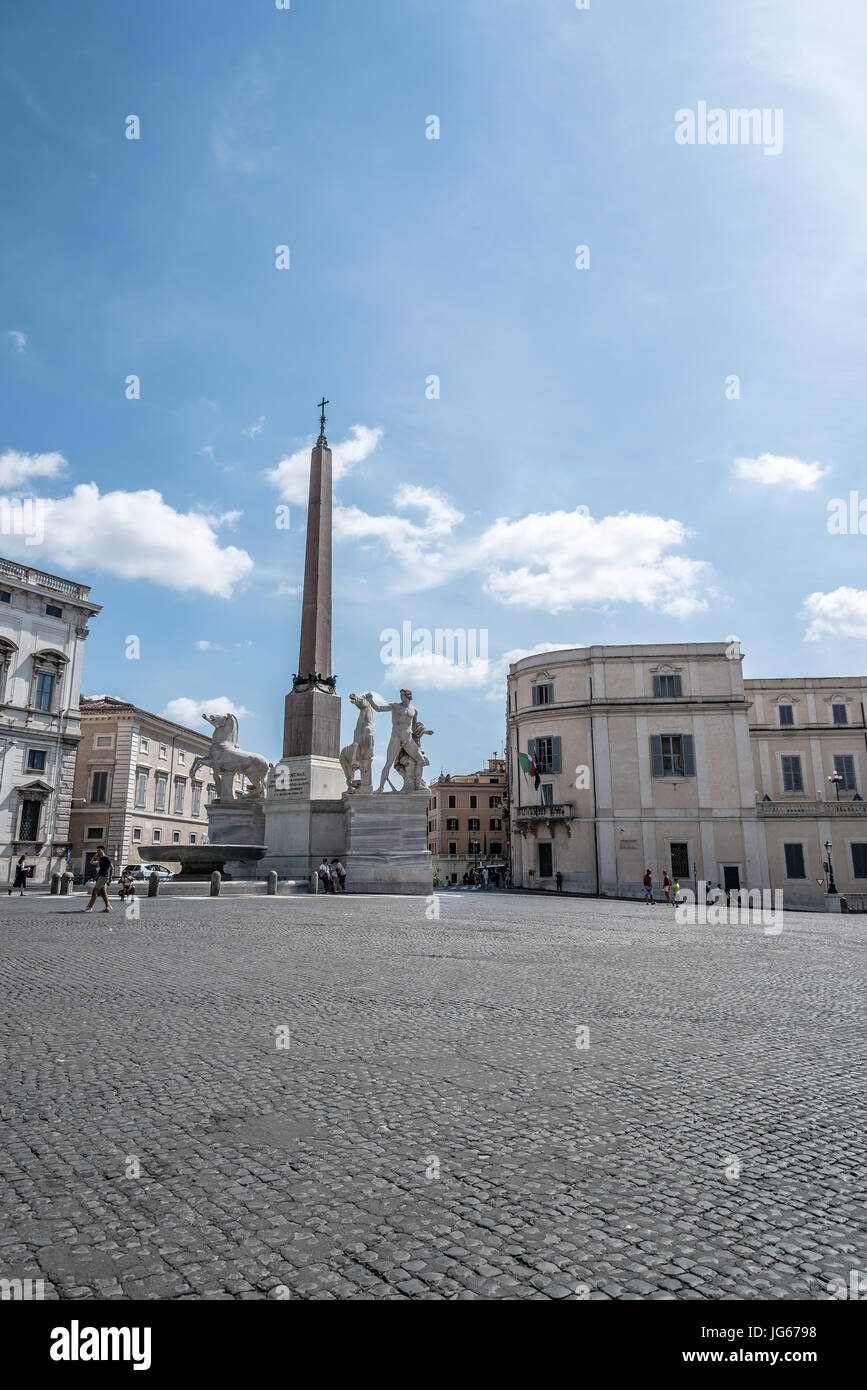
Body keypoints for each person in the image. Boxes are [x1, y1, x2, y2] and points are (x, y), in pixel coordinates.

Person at [83, 846, 113, 913]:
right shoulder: (101, 859)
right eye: (97, 851)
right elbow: (91, 862)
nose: (98, 852)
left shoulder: (107, 858)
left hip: (104, 877)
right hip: (101, 877)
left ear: (103, 850)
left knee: (95, 891)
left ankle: (89, 907)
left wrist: (110, 878)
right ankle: (108, 906)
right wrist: (94, 856)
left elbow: (112, 867)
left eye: (99, 850)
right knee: (103, 893)